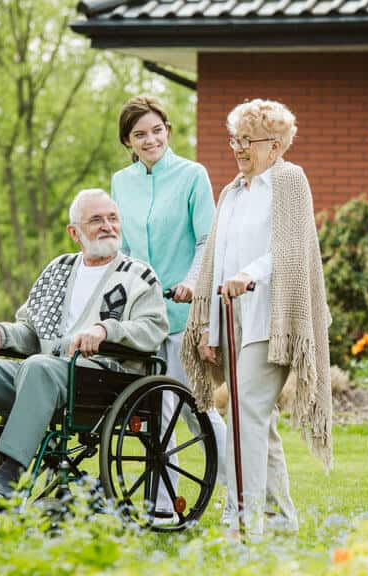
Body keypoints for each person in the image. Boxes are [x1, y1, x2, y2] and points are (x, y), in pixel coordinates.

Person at [0, 189, 169, 502]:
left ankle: (9, 477)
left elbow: (154, 328)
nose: (107, 226)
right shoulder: (59, 270)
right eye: (96, 220)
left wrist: (106, 329)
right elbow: (30, 329)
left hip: (101, 379)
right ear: (74, 232)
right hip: (41, 375)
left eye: (113, 218)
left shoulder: (138, 275)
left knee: (38, 366)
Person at [181, 99, 333, 537]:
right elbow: (217, 259)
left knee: (246, 410)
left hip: (272, 317)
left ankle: (243, 516)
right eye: (235, 139)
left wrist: (250, 275)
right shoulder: (232, 192)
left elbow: (291, 247)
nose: (239, 148)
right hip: (231, 318)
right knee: (256, 418)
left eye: (248, 141)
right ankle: (281, 518)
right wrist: (208, 328)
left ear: (277, 144)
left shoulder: (289, 181)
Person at [110, 95, 228, 517]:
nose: (150, 139)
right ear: (128, 141)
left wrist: (193, 282)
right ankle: (163, 507)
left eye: (157, 130)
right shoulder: (121, 183)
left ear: (168, 130)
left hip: (182, 315)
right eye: (140, 134)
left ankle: (243, 495)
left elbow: (206, 240)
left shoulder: (192, 175)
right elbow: (121, 248)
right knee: (155, 415)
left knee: (196, 411)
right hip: (144, 319)